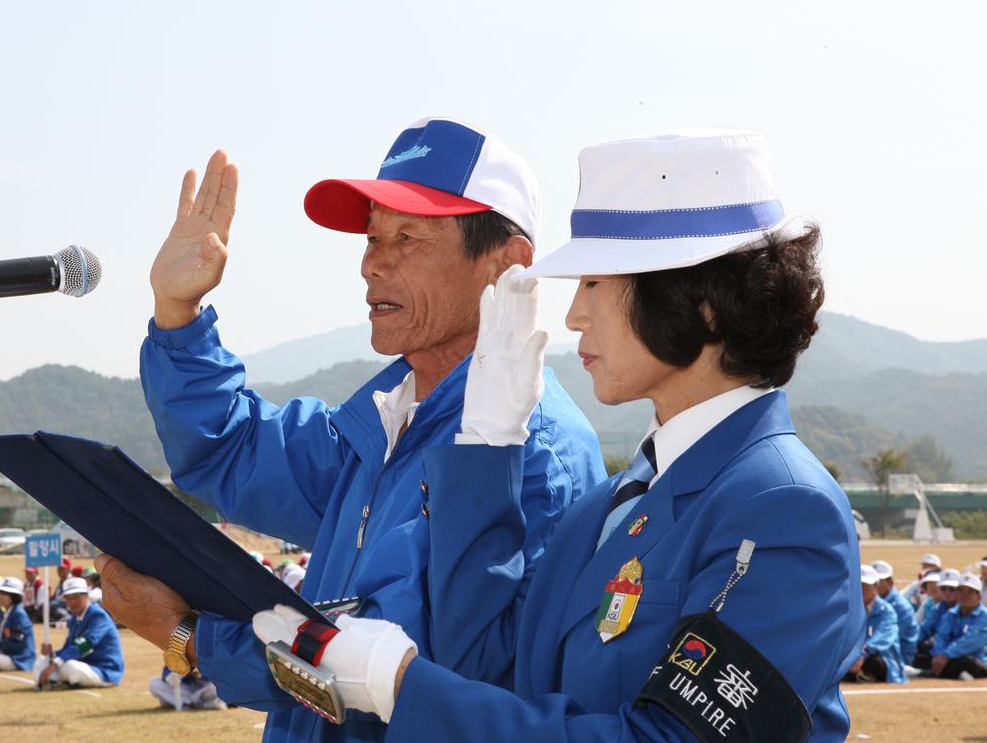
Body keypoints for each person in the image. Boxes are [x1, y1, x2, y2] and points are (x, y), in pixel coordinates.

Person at [254, 129, 866, 742]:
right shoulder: (615, 504)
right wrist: (488, 450)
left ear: (703, 304)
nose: (574, 314)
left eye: (596, 283)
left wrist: (400, 683)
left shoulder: (782, 508)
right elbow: (481, 664)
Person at [99, 118, 605, 743]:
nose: (373, 266)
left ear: (508, 262)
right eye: (371, 238)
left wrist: (190, 639)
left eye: (409, 238)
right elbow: (232, 450)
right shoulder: (379, 423)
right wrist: (178, 315)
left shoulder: (532, 451)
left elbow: (412, 669)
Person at [34, 577, 123, 689]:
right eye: (68, 598)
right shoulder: (75, 619)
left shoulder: (98, 615)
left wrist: (55, 663)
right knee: (43, 659)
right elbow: (69, 647)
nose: (72, 602)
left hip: (104, 670)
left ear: (86, 596)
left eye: (76, 597)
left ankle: (56, 682)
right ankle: (46, 684)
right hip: (85, 665)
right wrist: (52, 655)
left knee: (69, 666)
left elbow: (86, 642)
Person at [846, 565, 905, 683]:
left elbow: (883, 637)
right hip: (856, 656)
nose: (861, 589)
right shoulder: (851, 610)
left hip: (881, 657)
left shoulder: (887, 611)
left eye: (865, 586)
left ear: (876, 587)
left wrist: (861, 653)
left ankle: (863, 674)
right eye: (858, 585)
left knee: (874, 662)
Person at [929, 573, 987, 680]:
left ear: (979, 596)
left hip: (978, 661)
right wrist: (938, 655)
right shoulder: (950, 614)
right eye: (961, 591)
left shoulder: (984, 616)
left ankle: (932, 672)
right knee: (926, 653)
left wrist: (945, 655)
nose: (965, 595)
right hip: (950, 658)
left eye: (970, 592)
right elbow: (942, 638)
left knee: (967, 661)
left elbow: (971, 641)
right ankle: (957, 673)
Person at [871, 559, 920, 665]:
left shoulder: (900, 606)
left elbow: (891, 638)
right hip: (881, 650)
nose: (875, 585)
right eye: (872, 582)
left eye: (879, 582)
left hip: (900, 656)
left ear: (890, 582)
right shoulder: (873, 602)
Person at [913, 569, 962, 671]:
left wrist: (944, 655)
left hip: (959, 652)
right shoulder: (938, 609)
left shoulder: (966, 609)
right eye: (943, 589)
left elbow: (967, 641)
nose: (947, 592)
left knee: (966, 661)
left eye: (952, 589)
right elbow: (924, 631)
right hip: (940, 650)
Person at [150, 667, 228, 711]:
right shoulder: (181, 645)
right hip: (186, 687)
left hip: (207, 687)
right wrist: (169, 676)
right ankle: (204, 704)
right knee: (154, 684)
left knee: (220, 685)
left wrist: (200, 674)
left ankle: (186, 703)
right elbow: (167, 669)